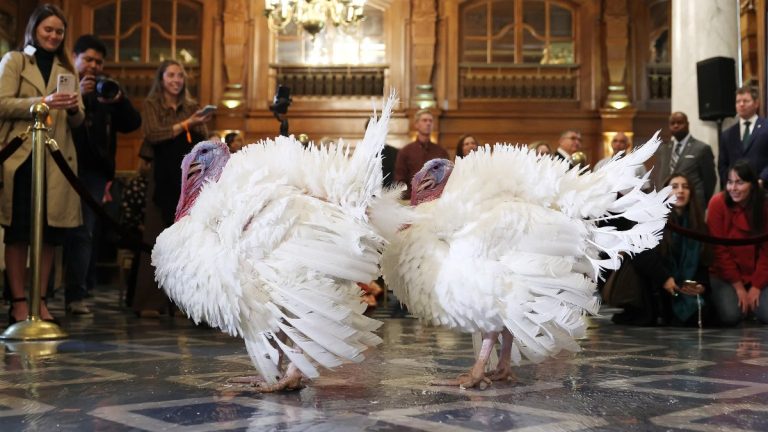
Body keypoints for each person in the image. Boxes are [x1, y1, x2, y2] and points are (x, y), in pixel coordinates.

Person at [0, 4, 84, 325]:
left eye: (59, 31)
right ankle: (20, 302)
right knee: (19, 232)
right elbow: (2, 103)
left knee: (50, 235)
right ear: (35, 29)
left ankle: (41, 299)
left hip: (57, 160)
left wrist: (75, 109)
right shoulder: (15, 61)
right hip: (21, 158)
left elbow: (79, 123)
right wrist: (43, 102)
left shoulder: (68, 68)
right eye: (48, 29)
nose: (53, 35)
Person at [63, 34, 142, 315]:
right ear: (74, 57)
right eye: (88, 59)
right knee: (53, 230)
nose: (94, 66)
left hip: (94, 171)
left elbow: (132, 123)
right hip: (61, 165)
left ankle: (77, 294)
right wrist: (80, 97)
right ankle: (43, 292)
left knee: (85, 232)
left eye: (98, 61)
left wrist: (117, 100)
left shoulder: (106, 88)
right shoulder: (64, 82)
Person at [133, 59, 212, 318]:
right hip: (160, 174)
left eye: (180, 75)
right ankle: (149, 301)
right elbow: (154, 133)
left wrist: (205, 130)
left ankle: (184, 303)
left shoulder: (192, 106)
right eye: (171, 75)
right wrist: (186, 124)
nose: (176, 80)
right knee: (156, 237)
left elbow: (202, 137)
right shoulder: (152, 104)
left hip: (187, 177)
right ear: (161, 78)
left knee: (187, 239)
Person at [611, 172, 712, 326]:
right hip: (655, 283)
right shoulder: (653, 217)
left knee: (705, 316)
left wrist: (700, 285)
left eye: (685, 187)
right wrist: (665, 278)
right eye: (674, 187)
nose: (680, 191)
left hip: (683, 285)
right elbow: (641, 254)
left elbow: (702, 258)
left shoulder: (697, 224)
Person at [707, 160, 768, 325]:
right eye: (730, 182)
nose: (733, 188)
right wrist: (739, 287)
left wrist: (756, 285)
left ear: (752, 185)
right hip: (725, 275)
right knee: (731, 316)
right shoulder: (717, 203)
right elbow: (719, 251)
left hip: (758, 274)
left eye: (740, 182)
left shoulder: (763, 206)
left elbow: (766, 252)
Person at [652, 112, 716, 209]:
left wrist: (700, 202)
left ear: (687, 124)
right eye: (672, 123)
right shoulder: (664, 149)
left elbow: (710, 181)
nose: (676, 125)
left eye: (680, 122)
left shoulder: (701, 148)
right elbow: (659, 177)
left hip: (693, 206)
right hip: (666, 206)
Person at [718, 86, 768, 189]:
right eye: (738, 101)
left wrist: (762, 179)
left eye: (745, 101)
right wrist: (731, 183)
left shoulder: (766, 127)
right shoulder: (727, 134)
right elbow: (723, 165)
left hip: (762, 188)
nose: (741, 104)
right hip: (735, 192)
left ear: (756, 103)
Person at [394, 109, 448, 199]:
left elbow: (446, 178)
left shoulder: (441, 152)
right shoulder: (405, 151)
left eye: (430, 121)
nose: (428, 123)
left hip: (435, 201)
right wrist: (411, 197)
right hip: (411, 200)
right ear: (416, 125)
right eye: (424, 120)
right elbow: (400, 180)